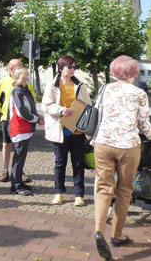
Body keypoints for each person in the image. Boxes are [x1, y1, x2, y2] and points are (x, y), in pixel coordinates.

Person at [92, 55, 151, 260]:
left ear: (114, 72)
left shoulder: (104, 89)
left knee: (104, 189)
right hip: (127, 146)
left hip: (103, 144)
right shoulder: (139, 93)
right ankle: (117, 235)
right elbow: (143, 123)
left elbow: (96, 112)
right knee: (124, 190)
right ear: (134, 72)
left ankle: (99, 231)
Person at [42, 55, 92, 206]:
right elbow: (46, 106)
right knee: (60, 163)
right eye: (70, 67)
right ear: (60, 68)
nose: (73, 70)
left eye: (74, 67)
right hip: (60, 129)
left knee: (77, 163)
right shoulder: (52, 86)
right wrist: (61, 110)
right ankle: (59, 193)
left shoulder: (80, 85)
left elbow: (87, 105)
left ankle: (79, 195)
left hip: (77, 130)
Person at [0, 59, 36, 183]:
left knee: (20, 146)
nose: (21, 69)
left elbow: (32, 98)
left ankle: (20, 171)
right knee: (7, 144)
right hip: (7, 119)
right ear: (11, 69)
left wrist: (32, 113)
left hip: (21, 120)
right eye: (18, 67)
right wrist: (3, 110)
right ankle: (5, 170)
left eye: (22, 67)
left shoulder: (27, 82)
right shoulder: (2, 82)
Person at [8, 67, 43, 196]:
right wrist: (36, 119)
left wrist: (37, 116)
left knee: (21, 157)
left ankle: (19, 182)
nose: (28, 77)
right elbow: (21, 111)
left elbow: (29, 108)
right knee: (18, 158)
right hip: (19, 128)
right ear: (21, 77)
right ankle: (15, 185)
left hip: (25, 128)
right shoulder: (17, 91)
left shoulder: (23, 90)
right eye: (26, 75)